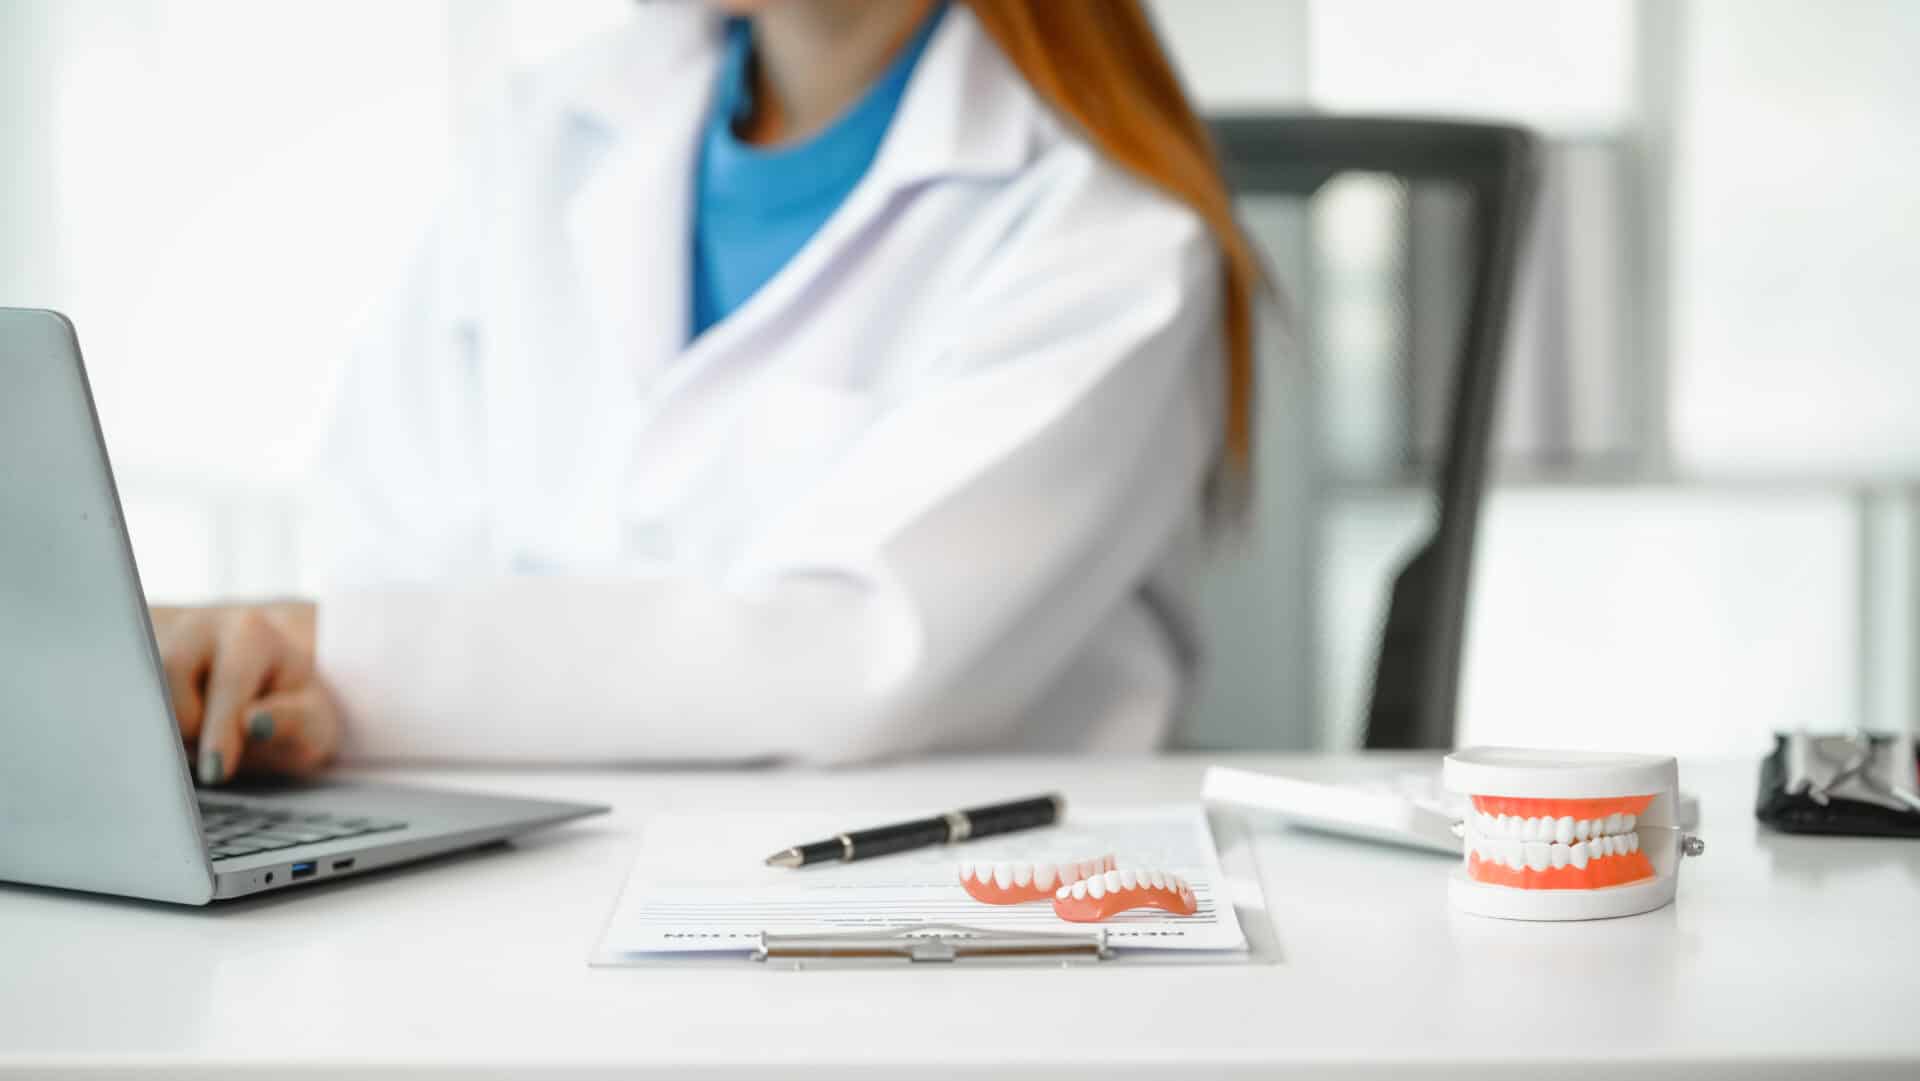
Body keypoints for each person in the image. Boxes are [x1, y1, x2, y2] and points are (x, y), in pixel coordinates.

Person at [153, 0, 1266, 783]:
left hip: (953, 902)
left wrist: (361, 658)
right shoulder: (549, 127)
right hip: (522, 863)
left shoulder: (1103, 230)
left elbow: (853, 651)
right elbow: (384, 529)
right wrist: (290, 682)